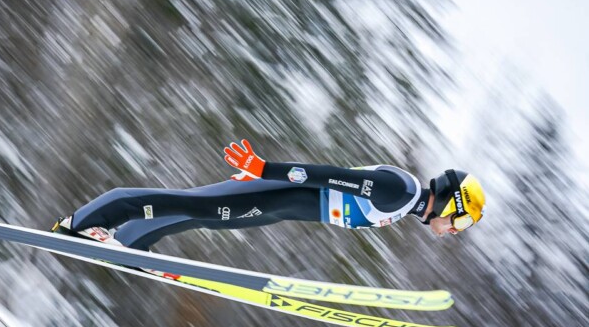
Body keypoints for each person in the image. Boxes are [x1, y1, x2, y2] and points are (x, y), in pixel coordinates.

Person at [52, 139, 486, 250]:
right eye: (461, 221)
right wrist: (264, 170)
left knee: (199, 214)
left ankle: (132, 242)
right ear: (453, 202)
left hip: (281, 205)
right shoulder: (400, 191)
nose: (454, 231)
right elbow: (329, 176)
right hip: (277, 192)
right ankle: (83, 224)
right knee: (186, 203)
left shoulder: (406, 201)